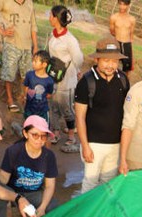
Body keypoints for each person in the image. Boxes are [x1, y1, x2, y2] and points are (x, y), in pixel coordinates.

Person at [73, 36, 128, 192]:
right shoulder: (86, 82)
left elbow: (125, 112)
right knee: (90, 185)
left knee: (107, 185)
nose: (110, 65)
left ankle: (102, 216)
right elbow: (80, 117)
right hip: (93, 144)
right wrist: (85, 146)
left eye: (114, 61)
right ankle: (86, 216)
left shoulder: (123, 80)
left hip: (115, 144)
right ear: (97, 59)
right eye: (106, 60)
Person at [0, 115, 58, 217]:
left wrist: (42, 208)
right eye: (35, 135)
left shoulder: (49, 156)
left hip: (34, 193)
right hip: (13, 193)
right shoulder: (13, 151)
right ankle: (9, 212)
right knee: (0, 193)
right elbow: (4, 180)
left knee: (52, 205)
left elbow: (49, 186)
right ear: (25, 133)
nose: (39, 140)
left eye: (43, 136)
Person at [0, 0, 37, 112]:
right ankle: (10, 100)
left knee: (27, 73)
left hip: (27, 45)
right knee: (9, 73)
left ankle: (25, 97)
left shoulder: (29, 3)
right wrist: (2, 31)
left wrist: (36, 46)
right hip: (11, 43)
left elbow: (33, 25)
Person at [47, 5, 83, 148]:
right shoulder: (53, 35)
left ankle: (71, 136)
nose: (49, 18)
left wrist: (76, 69)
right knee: (54, 106)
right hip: (54, 76)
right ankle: (56, 133)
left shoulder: (70, 39)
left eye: (51, 16)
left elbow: (78, 58)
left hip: (67, 79)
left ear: (56, 18)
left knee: (67, 107)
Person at [22, 50, 54, 122]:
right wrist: (25, 96)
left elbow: (49, 95)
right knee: (29, 126)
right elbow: (26, 86)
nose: (33, 63)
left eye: (35, 61)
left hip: (42, 111)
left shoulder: (49, 81)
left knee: (43, 129)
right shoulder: (29, 75)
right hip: (29, 109)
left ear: (44, 65)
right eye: (33, 60)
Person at [109, 0, 135, 73]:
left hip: (127, 44)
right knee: (112, 65)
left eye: (124, 5)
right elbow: (112, 31)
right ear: (118, 4)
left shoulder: (132, 19)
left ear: (128, 5)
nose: (122, 7)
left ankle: (125, 83)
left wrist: (131, 54)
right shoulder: (114, 17)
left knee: (127, 68)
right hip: (117, 43)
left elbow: (131, 36)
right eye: (120, 4)